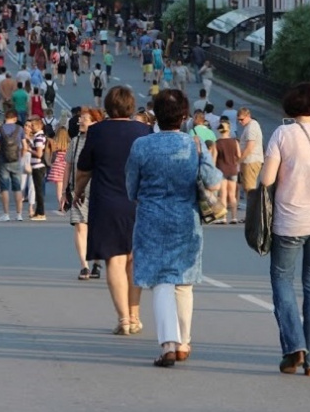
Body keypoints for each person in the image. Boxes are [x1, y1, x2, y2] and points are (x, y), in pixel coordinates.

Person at [126, 89, 222, 367]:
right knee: (183, 282)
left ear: (155, 113)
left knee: (161, 281)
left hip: (151, 218)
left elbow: (131, 188)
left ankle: (168, 343)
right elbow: (214, 181)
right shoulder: (194, 145)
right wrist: (203, 155)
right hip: (185, 218)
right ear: (183, 116)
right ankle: (183, 343)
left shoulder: (141, 146)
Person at [258, 82, 310, 376]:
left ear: (291, 105)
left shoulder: (283, 134)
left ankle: (294, 347)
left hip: (290, 220)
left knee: (282, 281)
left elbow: (267, 179)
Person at [75, 86, 152, 335]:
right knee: (134, 259)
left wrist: (77, 191)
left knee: (115, 261)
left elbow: (84, 168)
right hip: (138, 202)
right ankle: (135, 314)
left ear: (108, 106)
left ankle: (123, 320)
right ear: (131, 107)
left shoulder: (96, 132)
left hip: (107, 201)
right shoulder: (144, 131)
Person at [65, 107, 105, 280]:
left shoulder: (103, 141)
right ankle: (84, 266)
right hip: (77, 191)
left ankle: (97, 261)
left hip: (99, 190)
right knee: (81, 226)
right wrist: (65, 189)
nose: (80, 121)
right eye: (80, 118)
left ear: (95, 122)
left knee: (97, 228)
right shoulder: (74, 142)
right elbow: (68, 165)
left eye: (85, 119)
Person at [0, 109, 27, 222]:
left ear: (5, 117)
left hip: (3, 161)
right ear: (15, 118)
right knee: (17, 188)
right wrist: (21, 156)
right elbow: (25, 146)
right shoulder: (20, 129)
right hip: (16, 160)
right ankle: (19, 214)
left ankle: (6, 214)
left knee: (4, 188)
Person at [236, 107, 265, 211]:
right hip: (249, 161)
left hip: (251, 161)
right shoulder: (249, 126)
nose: (240, 122)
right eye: (238, 120)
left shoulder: (251, 127)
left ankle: (253, 213)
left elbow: (250, 147)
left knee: (250, 188)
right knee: (247, 188)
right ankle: (250, 213)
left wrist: (238, 160)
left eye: (242, 119)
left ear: (248, 116)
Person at [213, 121, 241, 224]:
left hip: (222, 170)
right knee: (232, 195)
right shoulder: (235, 142)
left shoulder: (217, 143)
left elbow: (214, 158)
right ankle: (234, 217)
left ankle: (223, 217)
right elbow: (238, 155)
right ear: (228, 129)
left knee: (223, 195)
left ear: (219, 130)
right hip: (233, 170)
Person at [26, 115, 48, 221]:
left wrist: (29, 150)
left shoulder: (39, 137)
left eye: (33, 125)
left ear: (39, 125)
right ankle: (37, 211)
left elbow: (39, 153)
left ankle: (41, 213)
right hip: (37, 166)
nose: (32, 127)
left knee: (38, 190)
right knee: (37, 189)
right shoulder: (39, 136)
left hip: (38, 166)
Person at [45, 127, 70, 212]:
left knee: (59, 188)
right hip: (66, 166)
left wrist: (49, 163)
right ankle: (65, 203)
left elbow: (49, 155)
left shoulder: (55, 144)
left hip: (57, 167)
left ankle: (61, 205)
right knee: (65, 187)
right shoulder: (69, 144)